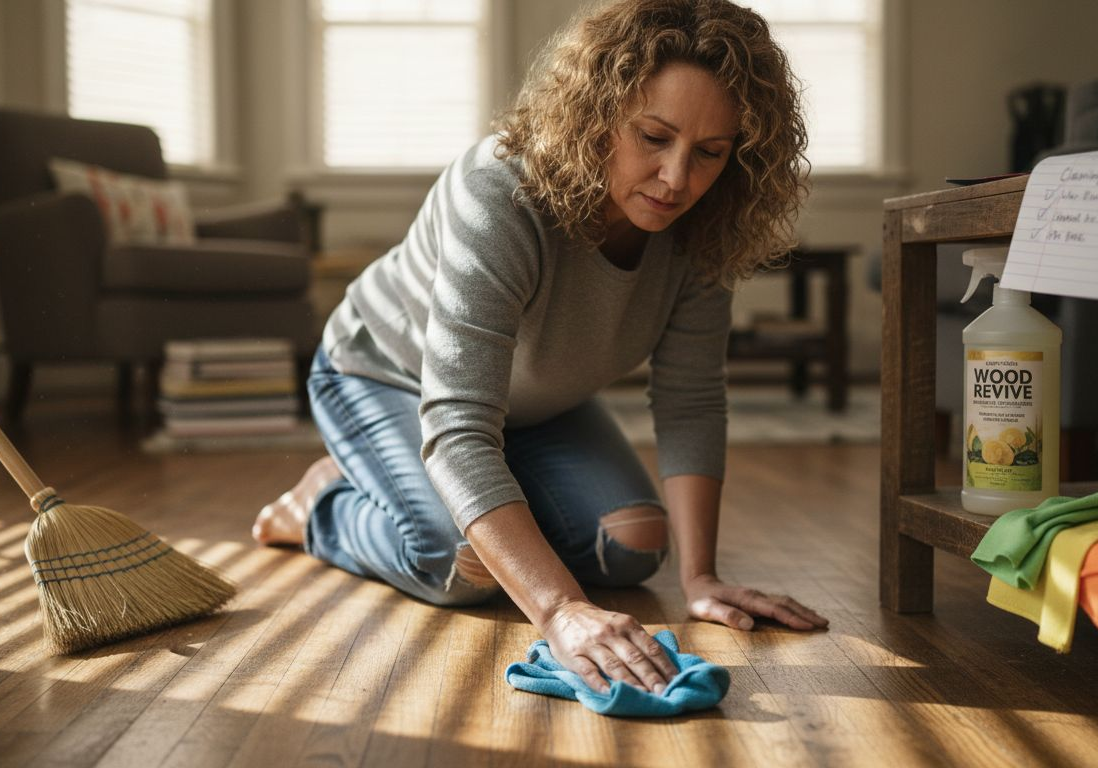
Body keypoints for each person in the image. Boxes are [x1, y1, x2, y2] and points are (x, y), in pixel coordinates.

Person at [254, 0, 828, 695]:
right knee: (463, 562)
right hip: (384, 375)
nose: (678, 179)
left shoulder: (706, 228)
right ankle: (319, 509)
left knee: (633, 547)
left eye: (709, 153)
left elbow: (691, 399)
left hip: (533, 404)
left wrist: (700, 576)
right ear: (598, 114)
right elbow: (460, 424)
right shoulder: (498, 194)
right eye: (654, 136)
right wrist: (561, 611)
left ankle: (447, 500)